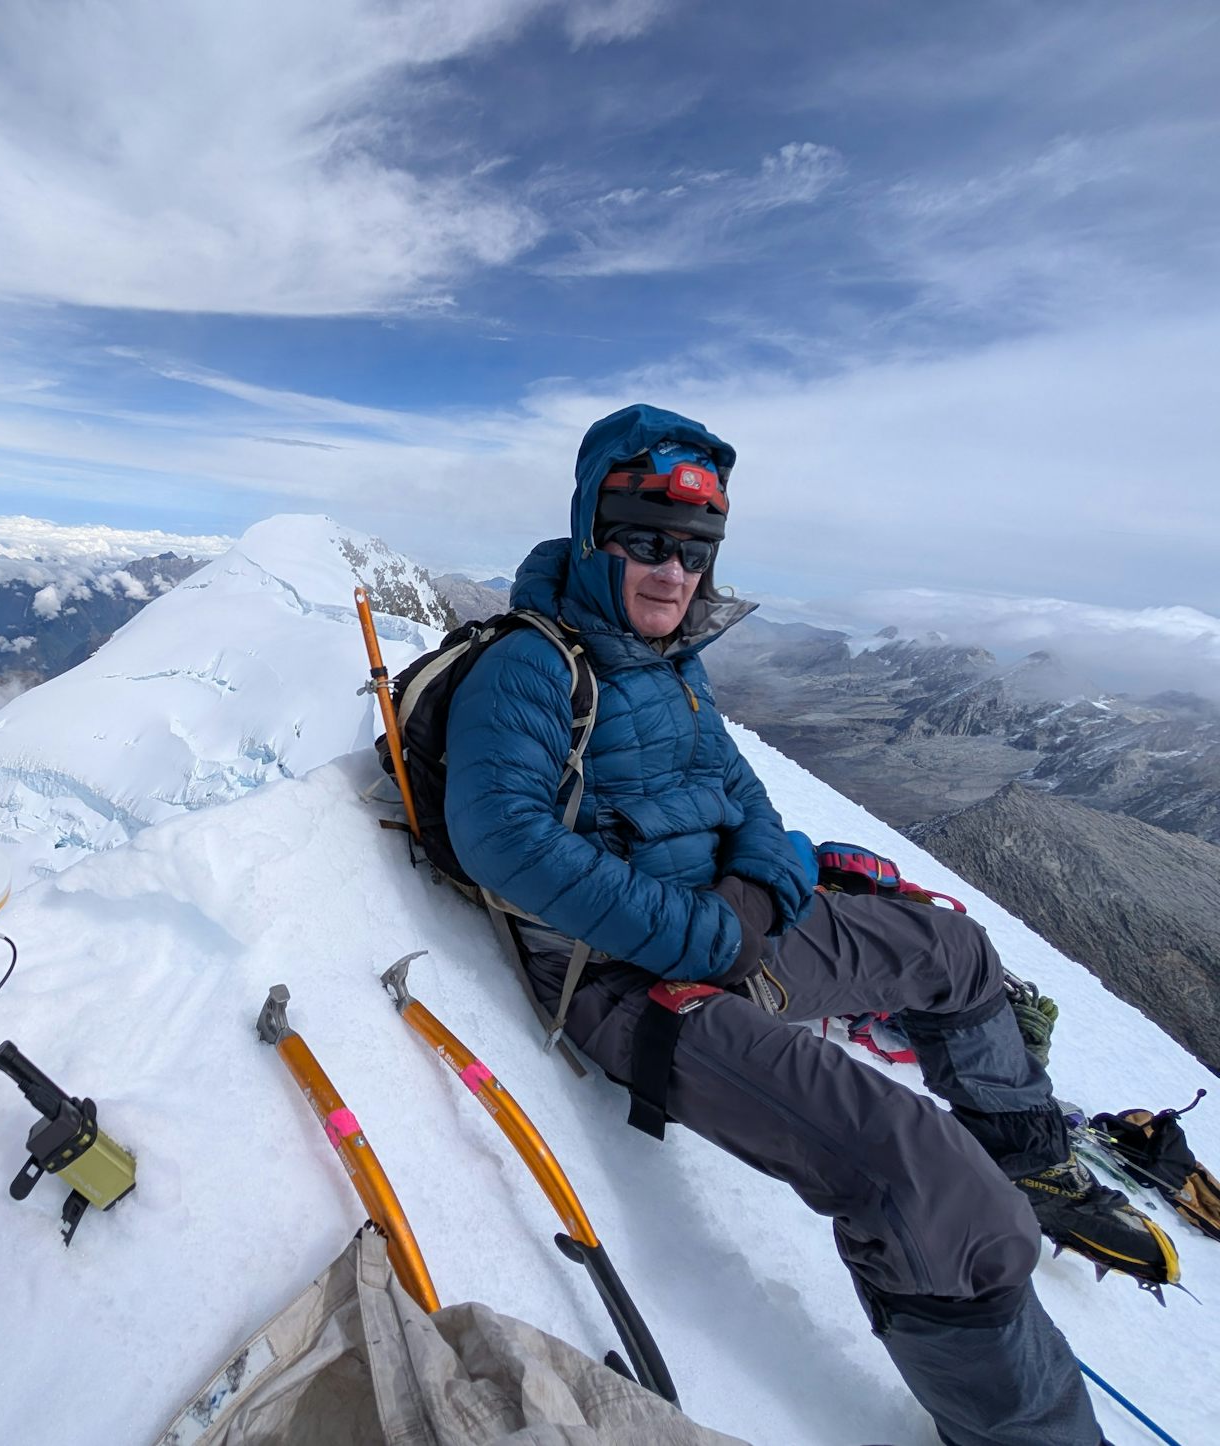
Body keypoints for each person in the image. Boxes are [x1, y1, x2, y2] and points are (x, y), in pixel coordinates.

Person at [440, 404, 1173, 1446]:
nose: (672, 570)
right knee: (916, 1173)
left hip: (732, 939)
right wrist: (710, 937)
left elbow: (759, 814)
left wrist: (756, 896)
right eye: (646, 539)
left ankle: (1029, 1160)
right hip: (629, 989)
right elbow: (502, 840)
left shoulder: (673, 668)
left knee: (956, 952)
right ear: (595, 532)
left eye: (693, 549)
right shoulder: (532, 662)